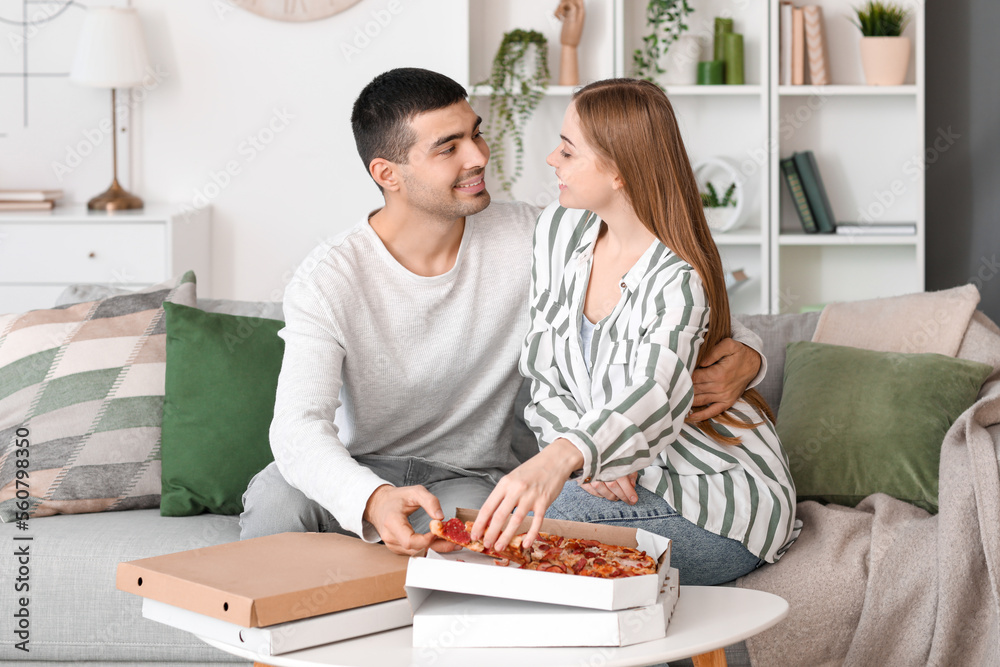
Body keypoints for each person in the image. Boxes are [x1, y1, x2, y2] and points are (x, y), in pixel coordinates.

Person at [239, 68, 769, 557]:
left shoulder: (536, 235)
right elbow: (297, 427)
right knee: (276, 500)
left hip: (465, 474)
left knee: (484, 549)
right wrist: (371, 497)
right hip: (358, 466)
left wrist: (749, 352)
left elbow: (660, 273)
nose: (478, 156)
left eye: (476, 133)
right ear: (388, 173)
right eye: (449, 147)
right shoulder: (329, 277)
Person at [471, 78, 798, 585]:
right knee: (515, 519)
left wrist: (567, 458)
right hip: (610, 478)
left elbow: (655, 391)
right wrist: (586, 458)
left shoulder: (677, 278)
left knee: (520, 532)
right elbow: (545, 375)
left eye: (568, 150)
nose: (551, 159)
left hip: (715, 501)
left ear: (620, 170)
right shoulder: (560, 230)